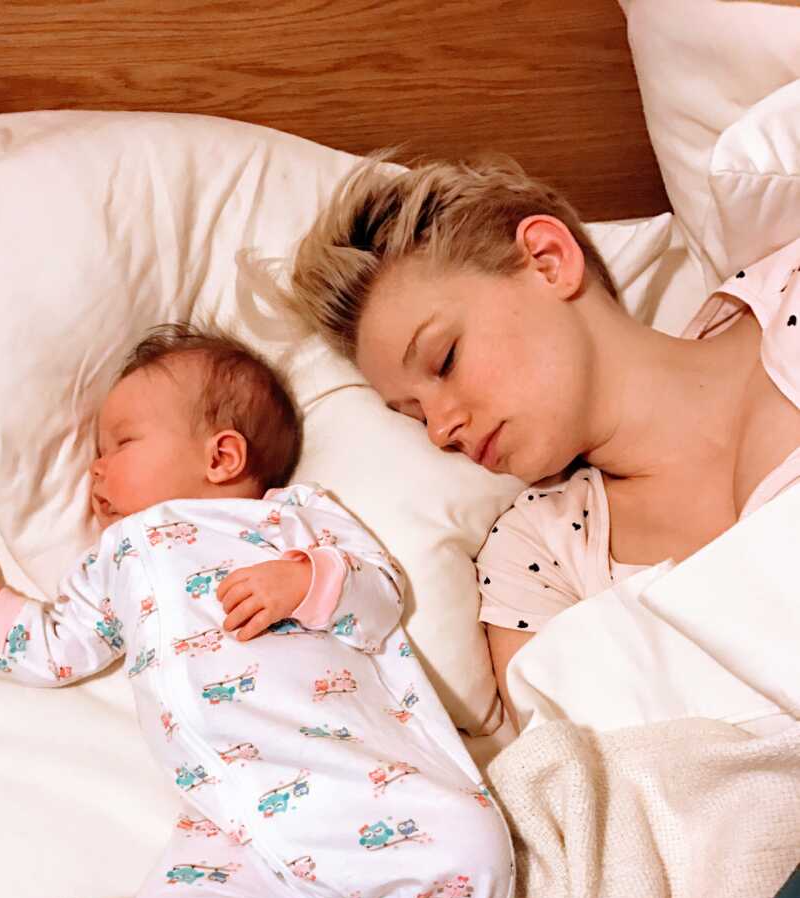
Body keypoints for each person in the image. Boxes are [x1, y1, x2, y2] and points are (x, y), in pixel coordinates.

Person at [0, 323, 514, 898]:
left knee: (473, 847)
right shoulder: (114, 558)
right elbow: (54, 648)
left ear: (222, 456)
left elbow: (377, 601)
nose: (94, 469)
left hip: (346, 782)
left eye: (119, 442)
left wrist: (304, 581)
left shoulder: (291, 520)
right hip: (232, 824)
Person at [290, 156, 800, 732]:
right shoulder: (535, 564)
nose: (438, 430)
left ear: (547, 261)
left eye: (444, 360)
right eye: (413, 415)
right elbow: (583, 783)